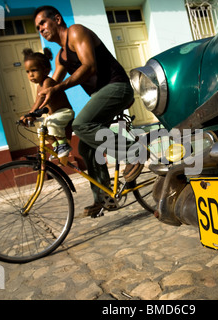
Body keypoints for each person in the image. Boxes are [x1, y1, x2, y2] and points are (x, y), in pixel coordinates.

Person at [33, 6, 146, 216]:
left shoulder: (76, 32)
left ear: (57, 19)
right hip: (101, 96)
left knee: (80, 124)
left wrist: (58, 88)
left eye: (43, 23)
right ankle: (105, 198)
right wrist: (32, 110)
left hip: (117, 87)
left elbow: (89, 66)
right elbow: (50, 84)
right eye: (37, 27)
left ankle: (134, 152)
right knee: (86, 148)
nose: (40, 29)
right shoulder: (60, 57)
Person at [21, 47, 74, 159]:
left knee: (50, 122)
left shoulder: (47, 82)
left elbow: (42, 99)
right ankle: (56, 146)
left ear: (45, 70)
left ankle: (63, 145)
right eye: (28, 72)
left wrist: (30, 113)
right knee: (42, 130)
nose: (30, 75)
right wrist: (31, 115)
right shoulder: (39, 86)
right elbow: (37, 102)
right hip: (55, 115)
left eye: (34, 70)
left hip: (65, 112)